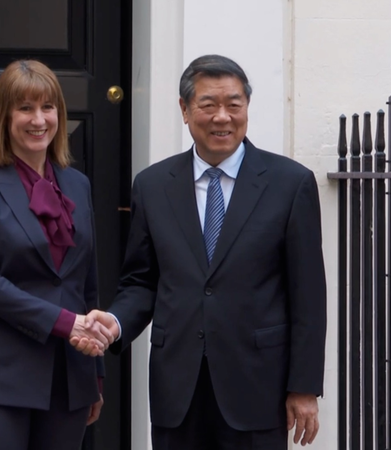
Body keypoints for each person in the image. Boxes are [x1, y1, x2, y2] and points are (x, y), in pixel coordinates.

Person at [74, 54, 327, 449]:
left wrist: (304, 387)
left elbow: (308, 296)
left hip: (258, 388)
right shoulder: (153, 185)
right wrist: (116, 323)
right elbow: (142, 281)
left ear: (246, 107)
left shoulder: (289, 184)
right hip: (178, 389)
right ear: (185, 110)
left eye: (234, 104)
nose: (222, 117)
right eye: (208, 105)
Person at [0, 59, 113, 450]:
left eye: (47, 107)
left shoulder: (77, 184)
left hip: (69, 376)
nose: (38, 119)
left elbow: (85, 283)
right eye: (25, 108)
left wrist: (95, 372)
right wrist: (65, 323)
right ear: (4, 116)